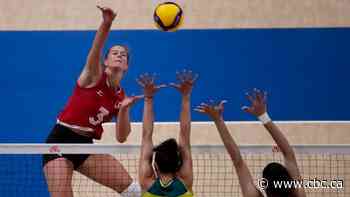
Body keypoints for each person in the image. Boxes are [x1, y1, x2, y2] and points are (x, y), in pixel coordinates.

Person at [42, 6, 142, 197]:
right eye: (115, 53)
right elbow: (95, 50)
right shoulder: (93, 76)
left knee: (132, 190)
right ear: (105, 61)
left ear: (127, 66)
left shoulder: (121, 96)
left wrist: (124, 110)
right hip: (60, 141)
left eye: (123, 55)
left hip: (85, 145)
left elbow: (122, 137)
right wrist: (106, 23)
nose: (120, 55)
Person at [195, 89, 306, 197]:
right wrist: (263, 116)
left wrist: (218, 120)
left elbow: (238, 161)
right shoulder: (299, 194)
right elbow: (288, 153)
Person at [137, 71, 197, 197]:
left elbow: (146, 135)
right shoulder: (185, 183)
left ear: (155, 165)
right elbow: (185, 137)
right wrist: (186, 96)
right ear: (178, 165)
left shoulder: (147, 184)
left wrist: (148, 98)